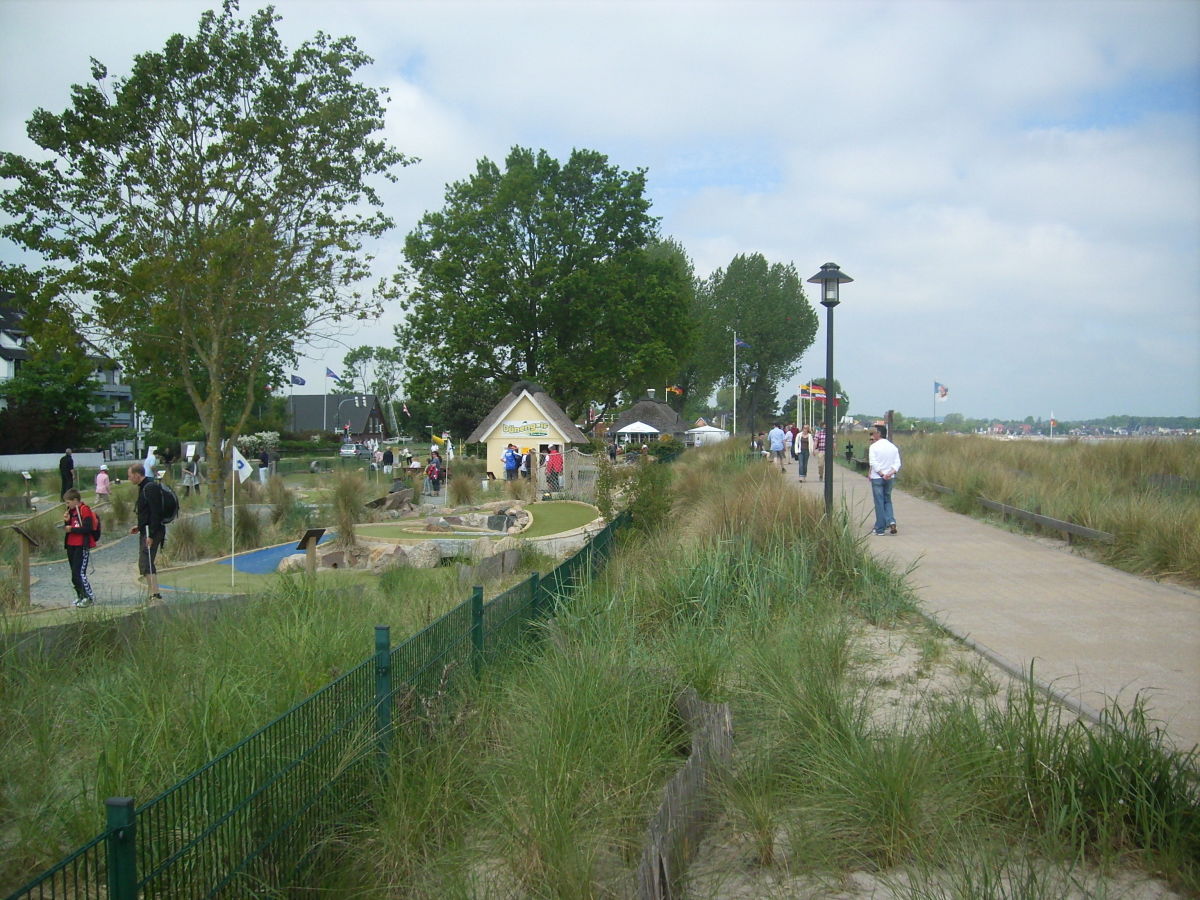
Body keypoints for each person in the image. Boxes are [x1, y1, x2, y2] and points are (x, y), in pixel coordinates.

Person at [127, 463, 167, 604]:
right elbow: (146, 512)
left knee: (146, 561)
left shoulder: (150, 488)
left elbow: (156, 513)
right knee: (144, 563)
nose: (129, 478)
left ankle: (155, 594)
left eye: (130, 475)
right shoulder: (144, 487)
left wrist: (151, 535)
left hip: (153, 531)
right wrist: (139, 526)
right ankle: (153, 593)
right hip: (146, 530)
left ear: (137, 475)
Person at [62, 488, 98, 607]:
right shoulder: (71, 512)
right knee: (73, 574)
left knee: (79, 573)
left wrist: (72, 529)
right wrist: (67, 522)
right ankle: (80, 596)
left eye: (68, 502)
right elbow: (69, 527)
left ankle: (89, 597)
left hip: (81, 545)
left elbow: (87, 528)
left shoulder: (84, 509)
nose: (67, 505)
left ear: (75, 500)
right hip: (71, 545)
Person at [867, 424, 902, 536]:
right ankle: (891, 521)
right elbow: (897, 464)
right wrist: (889, 473)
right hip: (889, 477)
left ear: (879, 433)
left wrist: (882, 474)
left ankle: (880, 528)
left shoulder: (874, 447)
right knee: (887, 499)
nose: (873, 435)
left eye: (874, 433)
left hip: (878, 477)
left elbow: (874, 463)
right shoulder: (893, 447)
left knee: (879, 502)